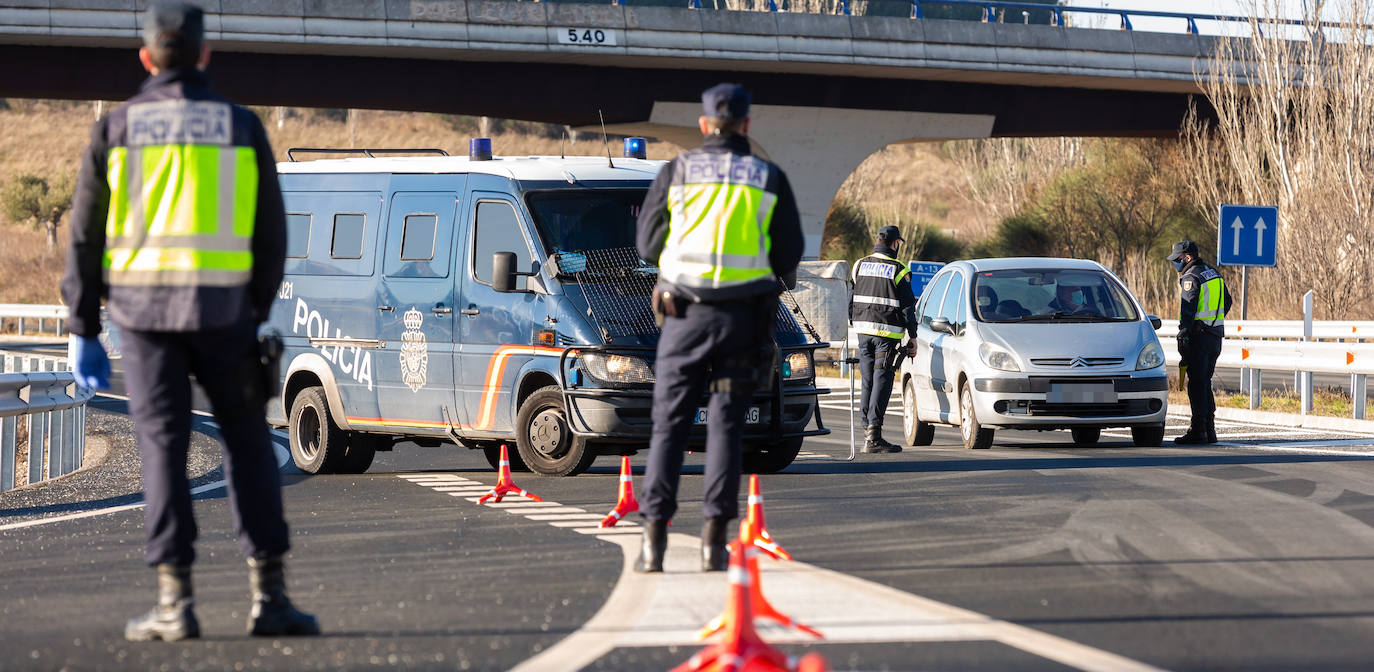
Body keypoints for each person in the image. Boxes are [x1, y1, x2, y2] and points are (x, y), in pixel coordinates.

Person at [61, 1, 318, 641]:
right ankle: (271, 597)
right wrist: (253, 308)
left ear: (146, 56)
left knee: (163, 447)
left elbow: (85, 237)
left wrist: (82, 326)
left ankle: (176, 604)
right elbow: (271, 235)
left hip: (143, 320)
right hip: (225, 312)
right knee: (249, 444)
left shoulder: (117, 129)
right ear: (204, 55)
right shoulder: (240, 126)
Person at [634, 83, 803, 573]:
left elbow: (646, 245)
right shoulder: (768, 177)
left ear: (705, 125)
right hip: (743, 320)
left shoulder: (677, 171)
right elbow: (788, 254)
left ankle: (654, 543)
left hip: (684, 318)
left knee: (669, 424)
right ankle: (713, 542)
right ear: (747, 125)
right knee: (726, 427)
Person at [849, 226, 919, 453]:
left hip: (863, 332)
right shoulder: (899, 270)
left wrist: (855, 321)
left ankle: (866, 428)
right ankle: (874, 435)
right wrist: (913, 336)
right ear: (895, 243)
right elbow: (908, 307)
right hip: (886, 335)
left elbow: (851, 299)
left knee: (867, 380)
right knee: (882, 381)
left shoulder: (859, 264)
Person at [1167, 240, 1233, 445]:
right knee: (1205, 383)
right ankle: (1209, 430)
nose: (1175, 264)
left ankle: (1198, 431)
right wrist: (1213, 320)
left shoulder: (1190, 277)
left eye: (1177, 260)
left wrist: (1183, 334)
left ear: (1187, 257)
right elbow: (1228, 301)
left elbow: (1188, 310)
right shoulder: (1213, 273)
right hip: (1215, 336)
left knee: (1196, 385)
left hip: (1199, 337)